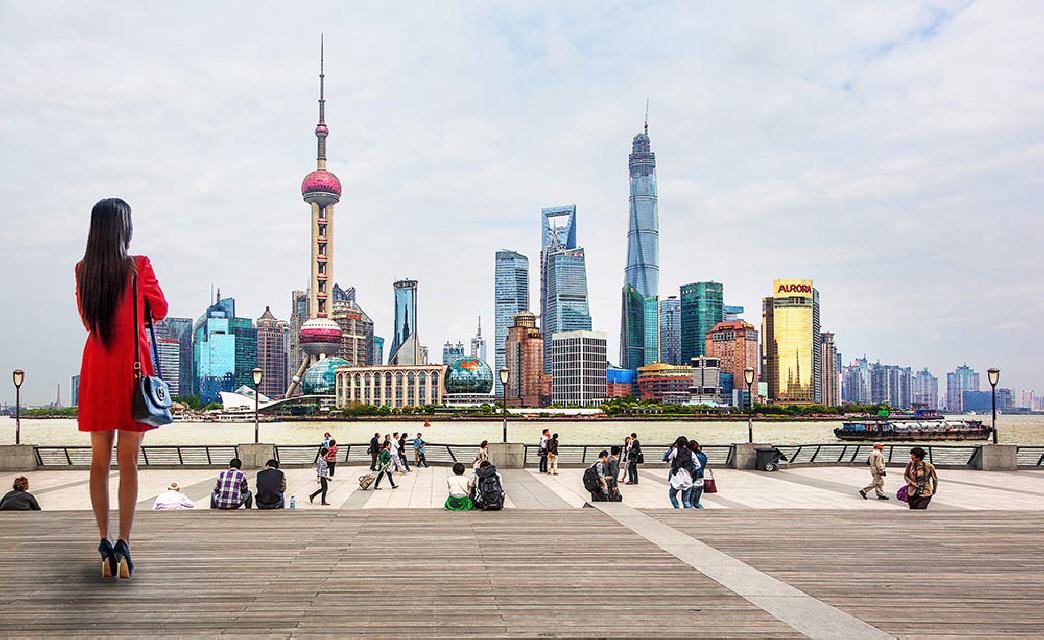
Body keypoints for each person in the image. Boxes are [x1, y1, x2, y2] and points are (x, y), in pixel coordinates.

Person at [75, 198, 167, 579]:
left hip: (97, 366)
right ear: (123, 228)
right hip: (132, 368)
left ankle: (103, 540)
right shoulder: (138, 266)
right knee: (127, 461)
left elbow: (86, 319)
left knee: (100, 461)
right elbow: (159, 310)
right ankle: (125, 543)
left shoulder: (83, 270)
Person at [667, 436, 694, 509]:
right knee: (686, 500)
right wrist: (691, 469)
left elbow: (669, 457)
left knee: (672, 495)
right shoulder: (690, 452)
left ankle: (677, 508)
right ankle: (689, 513)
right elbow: (698, 464)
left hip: (677, 477)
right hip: (688, 478)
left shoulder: (676, 450)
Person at [688, 440, 708, 509]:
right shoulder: (703, 456)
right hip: (701, 481)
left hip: (694, 481)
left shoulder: (692, 457)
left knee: (689, 503)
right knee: (696, 503)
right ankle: (704, 512)